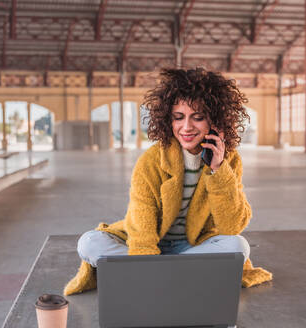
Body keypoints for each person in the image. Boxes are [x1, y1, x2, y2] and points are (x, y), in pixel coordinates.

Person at [64, 67, 272, 296]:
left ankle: (157, 270)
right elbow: (140, 220)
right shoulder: (151, 160)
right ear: (168, 119)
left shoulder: (229, 159)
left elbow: (231, 226)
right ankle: (178, 272)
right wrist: (146, 264)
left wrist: (218, 170)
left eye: (198, 117)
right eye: (178, 117)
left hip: (192, 245)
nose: (186, 127)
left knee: (238, 246)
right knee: (89, 242)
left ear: (216, 120)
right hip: (148, 243)